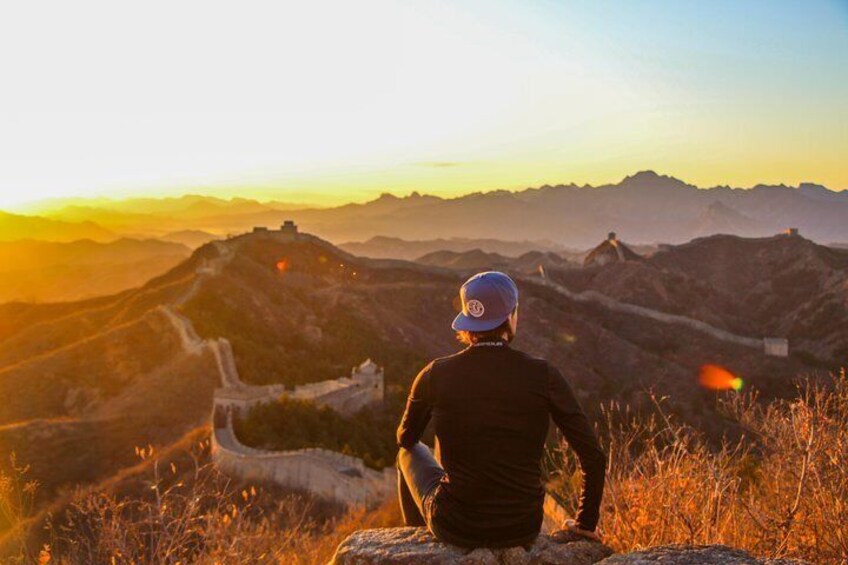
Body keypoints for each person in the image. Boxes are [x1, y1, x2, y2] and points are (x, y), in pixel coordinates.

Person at [396, 271, 606, 548]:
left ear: (467, 322)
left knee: (407, 452)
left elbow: (406, 438)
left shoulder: (435, 374)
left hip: (455, 525)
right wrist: (584, 524)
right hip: (522, 527)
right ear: (511, 316)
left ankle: (418, 544)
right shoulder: (543, 375)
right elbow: (593, 456)